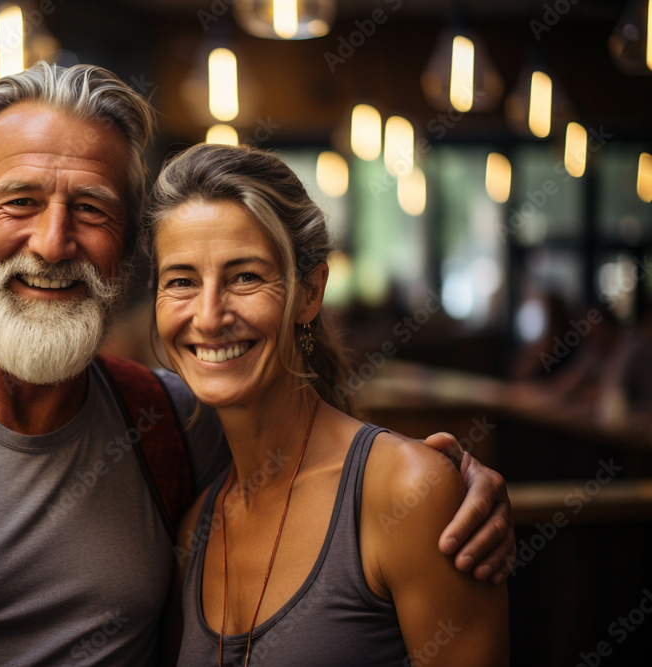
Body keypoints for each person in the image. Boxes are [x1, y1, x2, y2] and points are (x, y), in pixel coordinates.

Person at [0, 63, 514, 666]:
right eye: (20, 201)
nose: (53, 243)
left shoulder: (170, 425)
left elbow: (316, 464)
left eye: (89, 210)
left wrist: (448, 480)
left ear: (124, 252)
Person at [146, 143, 508, 666]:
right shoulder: (194, 529)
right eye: (181, 281)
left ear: (309, 292)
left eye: (245, 276)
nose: (208, 315)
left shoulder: (407, 492)